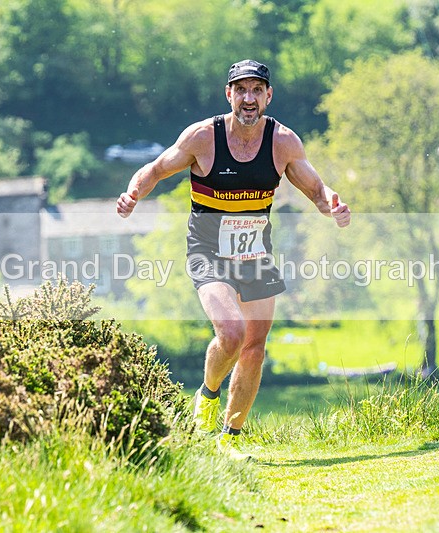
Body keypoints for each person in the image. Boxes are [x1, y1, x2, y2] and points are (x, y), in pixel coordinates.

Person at [117, 59, 350, 457]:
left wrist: (331, 204)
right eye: (240, 90)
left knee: (255, 347)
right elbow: (155, 169)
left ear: (268, 96)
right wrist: (133, 192)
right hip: (207, 252)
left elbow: (315, 190)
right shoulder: (203, 138)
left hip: (256, 253)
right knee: (231, 333)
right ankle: (207, 398)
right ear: (229, 94)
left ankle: (230, 438)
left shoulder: (283, 142)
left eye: (256, 90)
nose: (248, 98)